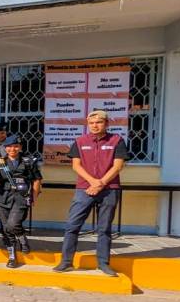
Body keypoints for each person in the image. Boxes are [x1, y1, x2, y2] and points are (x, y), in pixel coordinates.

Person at [54, 110, 127, 276]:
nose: (95, 126)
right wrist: (94, 182)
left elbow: (118, 166)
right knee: (72, 226)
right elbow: (76, 166)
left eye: (99, 122)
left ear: (106, 124)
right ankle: (66, 262)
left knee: (104, 229)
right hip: (84, 189)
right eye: (92, 123)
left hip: (109, 189)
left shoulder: (117, 141)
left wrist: (100, 183)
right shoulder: (80, 141)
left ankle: (103, 264)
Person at [0, 135, 42, 268]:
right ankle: (12, 256)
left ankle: (21, 237)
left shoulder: (28, 161)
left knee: (12, 225)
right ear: (5, 148)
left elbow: (36, 180)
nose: (12, 149)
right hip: (2, 197)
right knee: (5, 229)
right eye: (9, 146)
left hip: (21, 197)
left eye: (15, 146)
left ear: (20, 147)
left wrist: (34, 196)